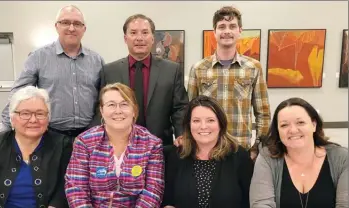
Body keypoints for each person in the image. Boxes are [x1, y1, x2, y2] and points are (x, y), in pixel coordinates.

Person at [1, 5, 105, 137]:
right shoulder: (38, 57)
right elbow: (18, 94)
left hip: (89, 134)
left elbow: (104, 98)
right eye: (65, 22)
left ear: (84, 29)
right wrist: (4, 132)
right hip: (51, 134)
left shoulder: (97, 60)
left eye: (77, 24)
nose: (71, 28)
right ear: (57, 26)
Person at [0, 86, 73, 208]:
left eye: (40, 113)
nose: (33, 120)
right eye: (25, 114)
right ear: (12, 118)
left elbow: (69, 184)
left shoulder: (63, 145)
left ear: (48, 118)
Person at [186, 6, 271, 154]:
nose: (227, 31)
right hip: (206, 148)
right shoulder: (198, 68)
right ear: (214, 32)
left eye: (232, 26)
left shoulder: (254, 67)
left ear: (240, 31)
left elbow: (263, 113)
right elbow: (189, 112)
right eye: (222, 27)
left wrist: (259, 147)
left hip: (241, 149)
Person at [93, 14, 188, 146]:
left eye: (145, 33)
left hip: (160, 146)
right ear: (125, 39)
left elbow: (180, 108)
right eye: (133, 33)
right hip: (118, 146)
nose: (139, 38)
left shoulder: (172, 70)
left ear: (153, 38)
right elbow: (101, 108)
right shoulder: (109, 71)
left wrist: (182, 134)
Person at [65, 83, 164, 207]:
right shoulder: (85, 142)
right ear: (101, 110)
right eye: (111, 105)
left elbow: (153, 191)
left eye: (124, 104)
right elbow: (76, 189)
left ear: (134, 110)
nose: (118, 111)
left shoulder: (152, 144)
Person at [250, 97, 348, 207]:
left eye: (300, 122)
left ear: (314, 125)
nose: (293, 130)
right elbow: (261, 204)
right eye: (284, 125)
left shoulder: (342, 158)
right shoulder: (267, 158)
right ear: (278, 130)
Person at [162, 95, 253, 208]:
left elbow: (250, 201)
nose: (203, 126)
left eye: (210, 120)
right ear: (189, 125)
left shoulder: (239, 156)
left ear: (221, 124)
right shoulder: (175, 155)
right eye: (196, 121)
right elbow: (167, 201)